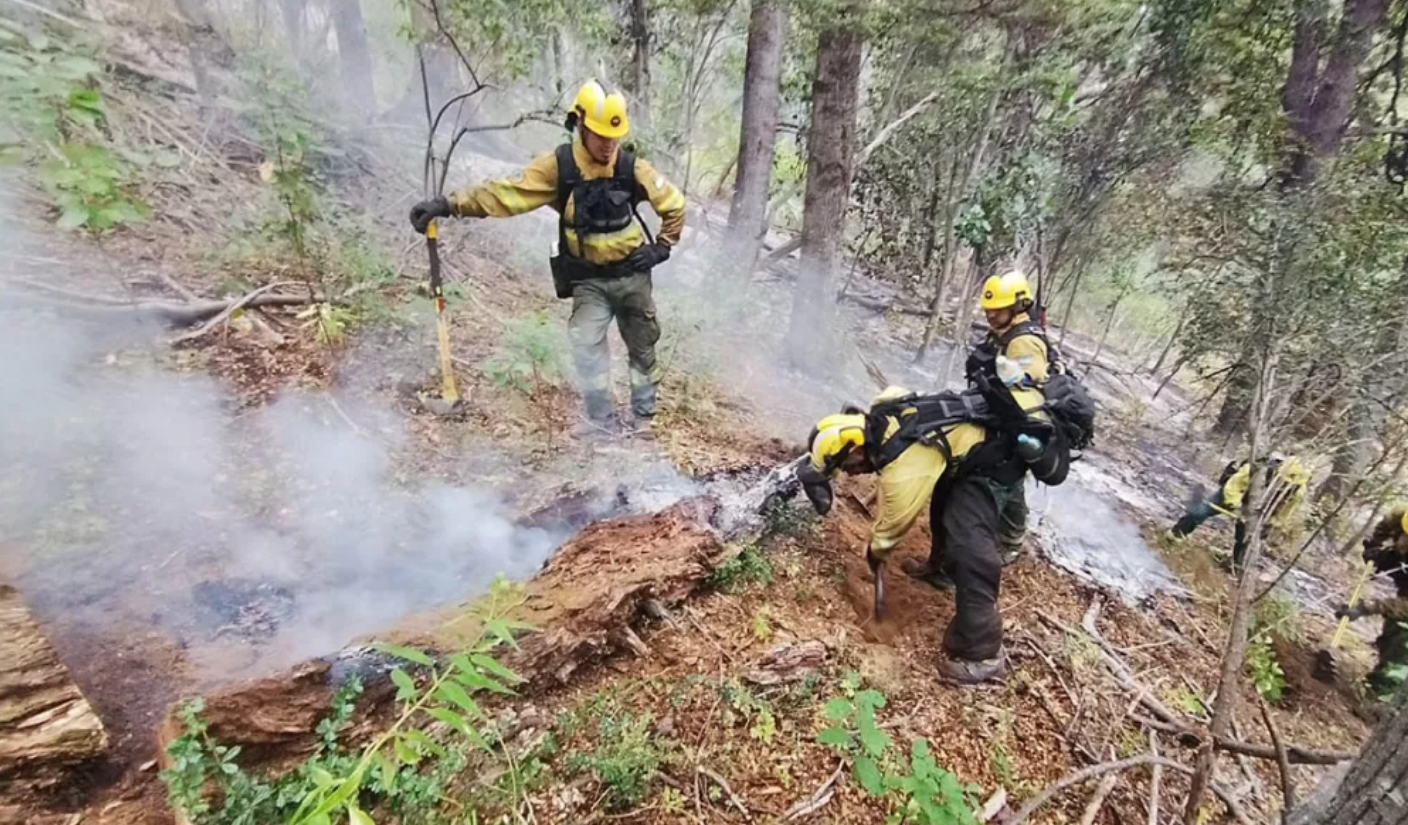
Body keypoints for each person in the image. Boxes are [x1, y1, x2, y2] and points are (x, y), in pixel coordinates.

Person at [408, 80, 687, 427]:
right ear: (581, 125)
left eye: (614, 137)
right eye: (601, 136)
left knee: (643, 349)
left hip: (633, 278)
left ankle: (643, 420)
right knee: (586, 347)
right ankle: (601, 422)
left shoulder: (632, 167)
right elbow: (506, 194)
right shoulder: (560, 167)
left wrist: (662, 247)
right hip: (589, 281)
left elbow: (674, 204)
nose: (609, 145)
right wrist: (448, 204)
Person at [796, 376, 1068, 685]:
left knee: (969, 545)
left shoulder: (904, 468)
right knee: (943, 506)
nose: (850, 472)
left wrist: (876, 553)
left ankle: (982, 655)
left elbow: (893, 525)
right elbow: (899, 392)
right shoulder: (885, 410)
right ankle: (940, 571)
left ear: (856, 448)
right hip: (967, 452)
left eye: (847, 465)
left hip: (996, 460)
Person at [1168, 453, 1309, 568]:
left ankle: (1237, 565)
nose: (1283, 485)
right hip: (1233, 494)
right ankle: (1175, 535)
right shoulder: (1259, 470)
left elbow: (1284, 512)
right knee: (1201, 512)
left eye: (1287, 483)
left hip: (1256, 510)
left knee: (1245, 538)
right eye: (1282, 481)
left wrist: (1270, 524)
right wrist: (1235, 507)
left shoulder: (1296, 491)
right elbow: (1233, 487)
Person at [1337, 509, 1408, 695]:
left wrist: (1366, 607)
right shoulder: (1400, 516)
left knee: (1402, 636)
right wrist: (1375, 547)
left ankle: (1381, 692)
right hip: (1403, 566)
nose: (1404, 543)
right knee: (1392, 633)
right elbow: (1385, 526)